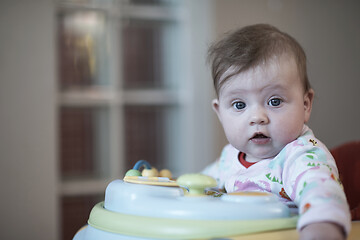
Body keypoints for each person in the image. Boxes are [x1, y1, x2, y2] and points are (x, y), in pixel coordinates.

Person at [202, 24, 351, 239]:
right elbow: (199, 186)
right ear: (219, 113)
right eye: (239, 105)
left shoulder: (301, 156)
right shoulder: (229, 158)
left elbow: (321, 193)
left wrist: (322, 227)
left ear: (306, 104)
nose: (257, 117)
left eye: (274, 101)